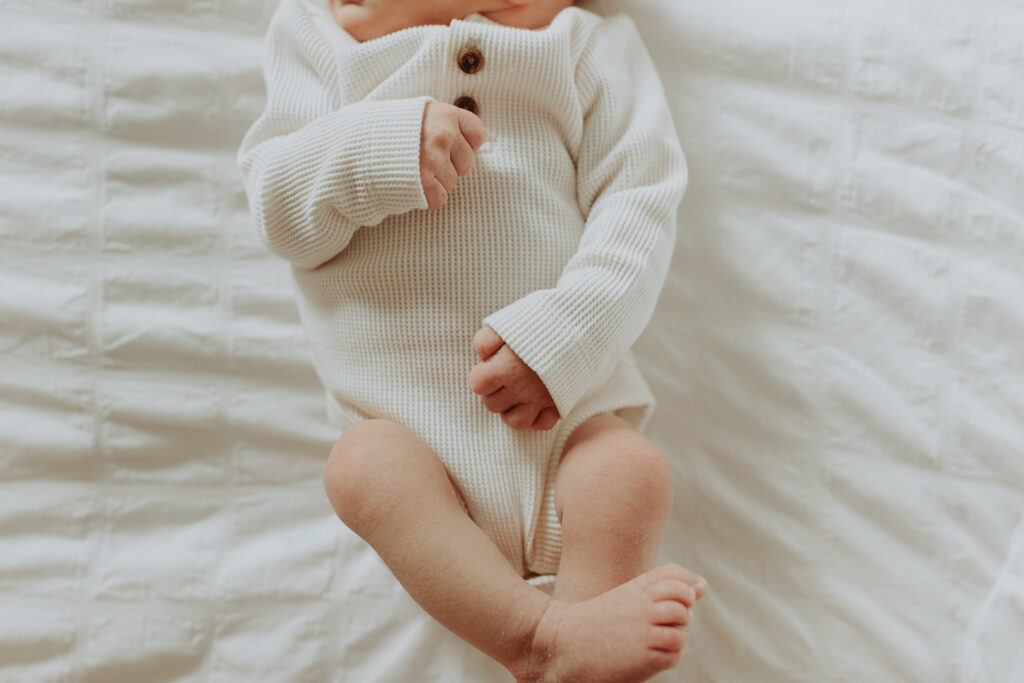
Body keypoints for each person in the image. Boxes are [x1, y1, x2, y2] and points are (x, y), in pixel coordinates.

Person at [238, 0, 707, 679]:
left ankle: (576, 642)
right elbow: (279, 213)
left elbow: (640, 206)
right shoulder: (319, 41)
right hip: (412, 447)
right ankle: (537, 639)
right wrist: (377, 146)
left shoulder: (583, 47)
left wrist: (562, 339)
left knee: (631, 471)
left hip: (563, 425)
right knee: (361, 466)